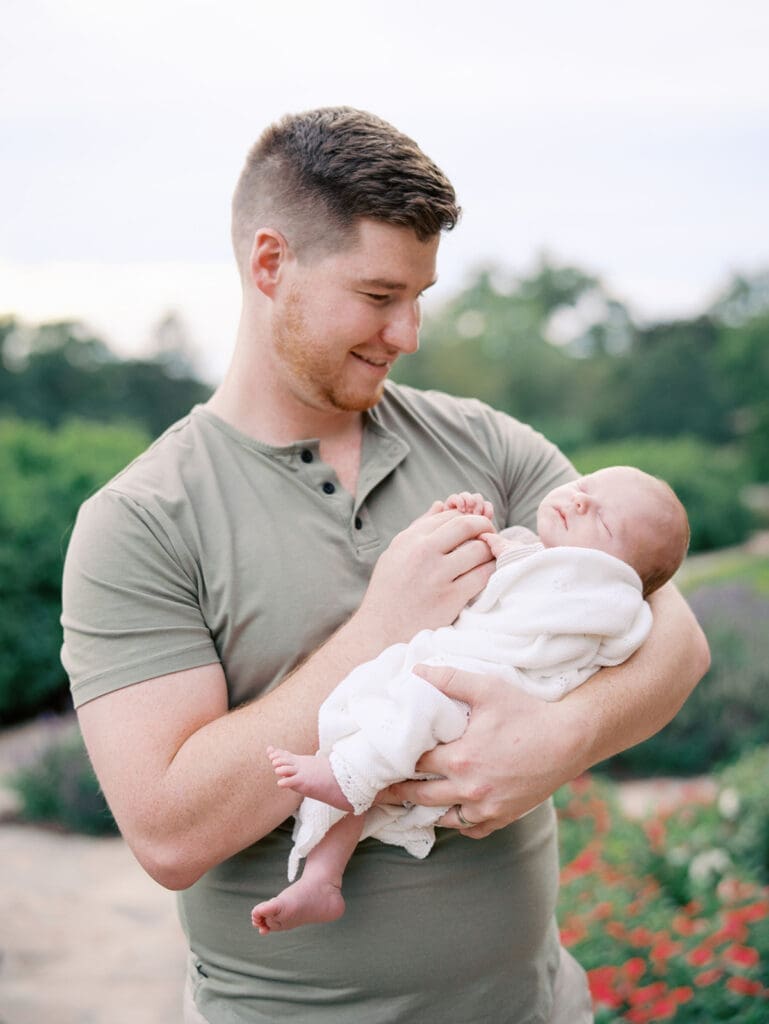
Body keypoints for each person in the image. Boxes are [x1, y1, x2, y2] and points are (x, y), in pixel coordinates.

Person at [60, 107, 709, 1024]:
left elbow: (674, 637)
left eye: (419, 297)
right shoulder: (138, 523)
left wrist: (560, 741)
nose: (406, 333)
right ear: (270, 264)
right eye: (377, 295)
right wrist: (379, 631)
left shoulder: (487, 444)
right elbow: (168, 832)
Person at [252, 467, 690, 935]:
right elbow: (511, 575)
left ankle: (346, 778)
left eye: (603, 522)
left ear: (623, 572)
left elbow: (570, 601)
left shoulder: (606, 596)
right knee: (371, 753)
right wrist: (471, 528)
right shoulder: (539, 554)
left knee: (407, 711)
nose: (581, 501)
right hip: (457, 695)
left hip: (484, 707)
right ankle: (323, 877)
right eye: (584, 486)